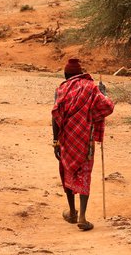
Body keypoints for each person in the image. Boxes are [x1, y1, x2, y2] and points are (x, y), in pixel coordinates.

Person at [51, 59, 114, 231]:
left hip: (65, 139)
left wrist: (55, 141)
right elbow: (107, 106)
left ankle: (72, 212)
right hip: (85, 138)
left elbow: (55, 115)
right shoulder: (91, 87)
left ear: (66, 75)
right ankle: (83, 217)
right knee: (85, 173)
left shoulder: (61, 89)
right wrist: (103, 92)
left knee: (67, 172)